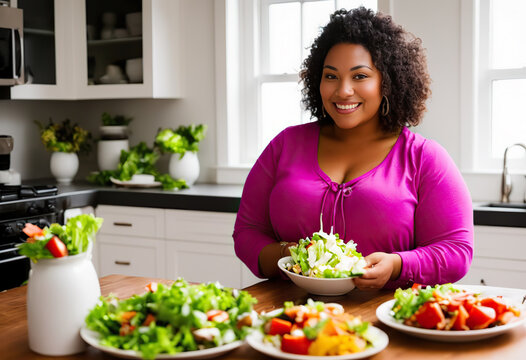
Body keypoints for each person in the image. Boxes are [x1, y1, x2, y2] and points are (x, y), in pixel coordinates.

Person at [233, 7, 473, 290]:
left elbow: (457, 252)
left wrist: (397, 265)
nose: (343, 91)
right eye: (331, 76)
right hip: (289, 317)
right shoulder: (285, 145)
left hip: (384, 320)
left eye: (360, 76)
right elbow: (248, 233)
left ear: (388, 81)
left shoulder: (424, 158)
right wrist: (292, 256)